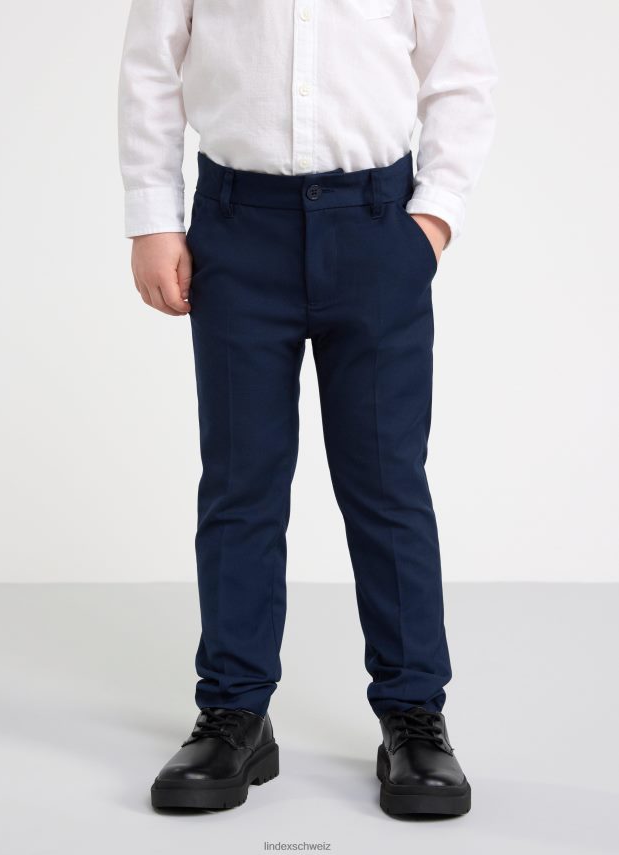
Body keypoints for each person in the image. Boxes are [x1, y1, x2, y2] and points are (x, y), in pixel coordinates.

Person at [118, 0, 497, 817]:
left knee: (387, 481)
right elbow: (152, 66)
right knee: (240, 480)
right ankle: (234, 711)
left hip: (377, 228)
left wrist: (432, 220)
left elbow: (459, 75)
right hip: (236, 229)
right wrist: (152, 218)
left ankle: (413, 714)